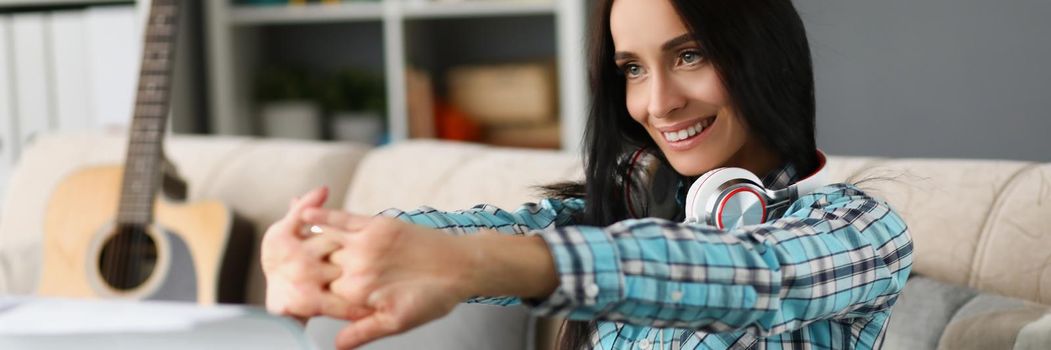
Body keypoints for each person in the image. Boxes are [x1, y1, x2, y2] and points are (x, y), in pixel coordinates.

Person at [261, 0, 914, 349]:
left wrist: (472, 266)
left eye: (688, 55)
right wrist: (330, 244)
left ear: (763, 60)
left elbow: (751, 278)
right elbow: (476, 230)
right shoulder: (627, 210)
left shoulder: (858, 229)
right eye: (631, 68)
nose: (657, 103)